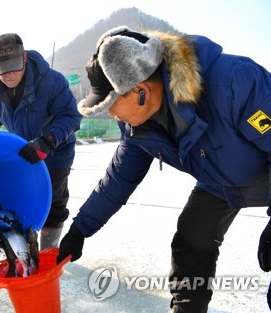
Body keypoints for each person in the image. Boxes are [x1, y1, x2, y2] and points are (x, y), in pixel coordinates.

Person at [56, 26, 271, 313]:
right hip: (219, 182)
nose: (111, 114)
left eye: (112, 103)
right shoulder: (136, 128)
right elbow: (119, 178)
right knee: (191, 239)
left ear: (141, 91)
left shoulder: (234, 82)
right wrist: (80, 230)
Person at [0, 33, 82, 249]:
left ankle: (48, 251)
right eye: (2, 69)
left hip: (55, 152)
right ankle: (26, 250)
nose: (8, 74)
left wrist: (47, 141)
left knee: (53, 203)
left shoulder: (52, 81)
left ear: (24, 58)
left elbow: (71, 116)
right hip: (23, 156)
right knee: (21, 201)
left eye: (14, 66)